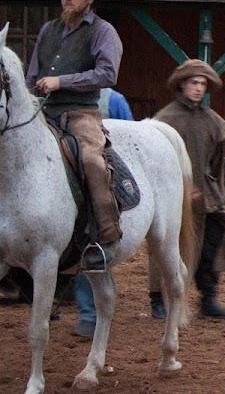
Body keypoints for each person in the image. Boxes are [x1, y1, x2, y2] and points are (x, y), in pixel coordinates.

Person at [24, 0, 123, 273]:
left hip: (81, 114)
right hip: (42, 113)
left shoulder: (103, 31)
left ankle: (105, 238)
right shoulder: (48, 30)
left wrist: (60, 81)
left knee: (92, 160)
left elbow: (108, 74)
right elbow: (31, 75)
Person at [150, 59, 225, 319]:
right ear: (182, 84)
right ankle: (158, 299)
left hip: (205, 196)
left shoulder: (213, 121)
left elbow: (216, 162)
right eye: (194, 83)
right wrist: (181, 187)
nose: (199, 88)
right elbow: (157, 161)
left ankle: (208, 298)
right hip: (170, 195)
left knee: (211, 241)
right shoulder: (165, 120)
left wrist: (214, 192)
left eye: (203, 84)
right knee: (166, 244)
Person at [70, 87, 135, 337]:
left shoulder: (113, 100)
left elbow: (127, 143)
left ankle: (89, 313)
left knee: (90, 234)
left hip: (99, 172)